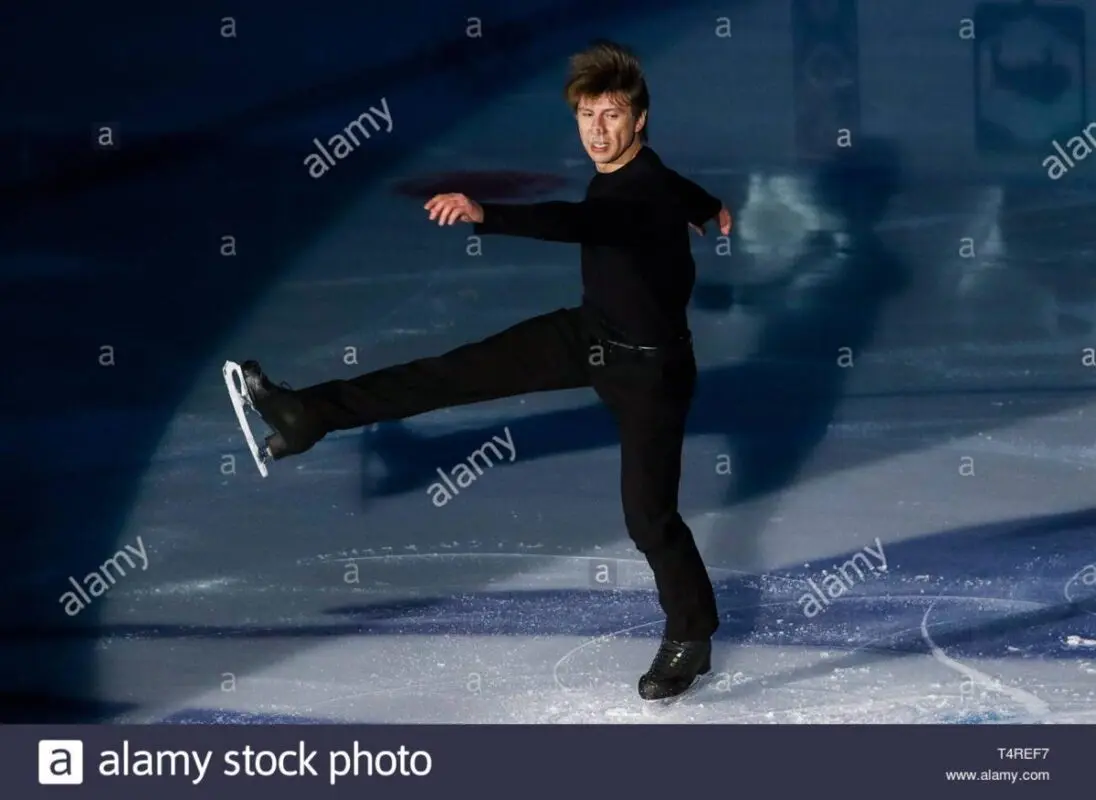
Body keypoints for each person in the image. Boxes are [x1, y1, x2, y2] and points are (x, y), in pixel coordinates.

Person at [236, 40, 733, 700]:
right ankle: (310, 414)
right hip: (590, 335)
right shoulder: (654, 177)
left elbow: (574, 219)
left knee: (648, 519)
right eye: (586, 115)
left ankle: (691, 636)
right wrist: (709, 208)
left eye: (612, 115)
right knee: (452, 371)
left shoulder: (636, 193)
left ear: (640, 119)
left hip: (652, 372)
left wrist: (485, 214)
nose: (597, 130)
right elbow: (679, 189)